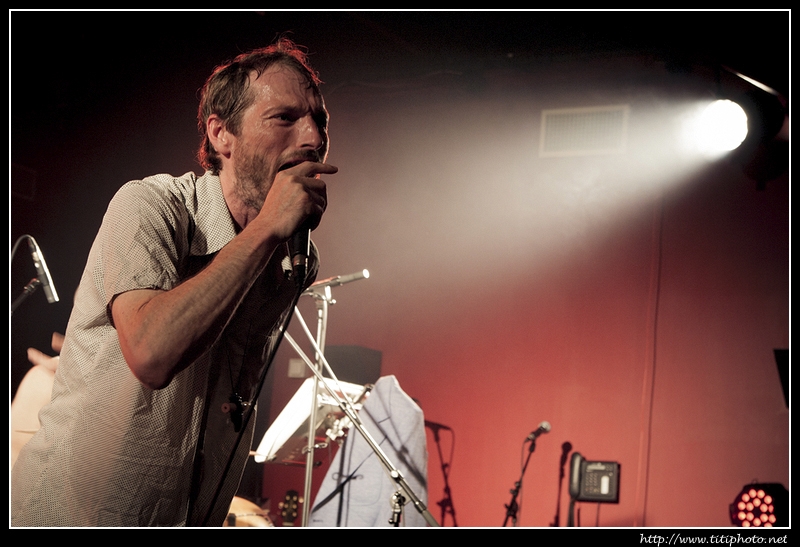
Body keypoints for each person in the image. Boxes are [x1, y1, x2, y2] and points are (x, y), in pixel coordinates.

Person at [11, 38, 337, 527]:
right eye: (284, 118)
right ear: (222, 134)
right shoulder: (150, 206)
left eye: (320, 120)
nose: (312, 136)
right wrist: (268, 227)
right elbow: (152, 353)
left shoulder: (292, 259)